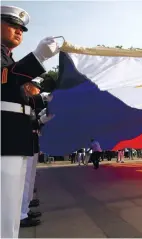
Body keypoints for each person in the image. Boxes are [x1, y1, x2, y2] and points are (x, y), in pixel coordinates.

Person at [1, 5, 59, 238]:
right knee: (5, 205)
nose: (19, 32)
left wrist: (46, 100)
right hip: (6, 136)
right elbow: (6, 80)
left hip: (15, 136)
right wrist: (39, 57)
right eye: (13, 26)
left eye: (22, 29)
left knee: (11, 207)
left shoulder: (7, 56)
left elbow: (20, 98)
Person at [20, 78, 54, 228]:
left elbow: (34, 120)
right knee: (25, 179)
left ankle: (25, 209)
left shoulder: (28, 101)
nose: (37, 90)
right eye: (36, 88)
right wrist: (45, 97)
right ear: (28, 86)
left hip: (31, 139)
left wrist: (43, 120)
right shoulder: (23, 98)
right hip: (24, 140)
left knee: (30, 178)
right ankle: (21, 214)